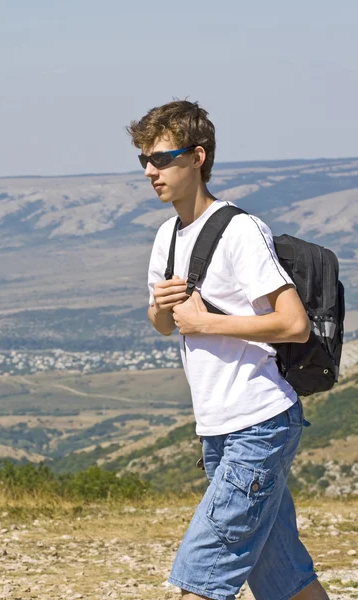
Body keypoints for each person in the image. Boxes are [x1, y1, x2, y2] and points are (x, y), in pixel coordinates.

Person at [127, 100, 329, 600]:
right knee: (285, 579)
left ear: (197, 157)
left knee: (199, 578)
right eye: (145, 161)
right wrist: (163, 307)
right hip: (217, 429)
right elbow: (161, 325)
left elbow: (294, 324)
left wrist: (207, 321)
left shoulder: (240, 230)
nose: (151, 171)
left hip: (258, 422)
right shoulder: (167, 236)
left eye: (162, 158)